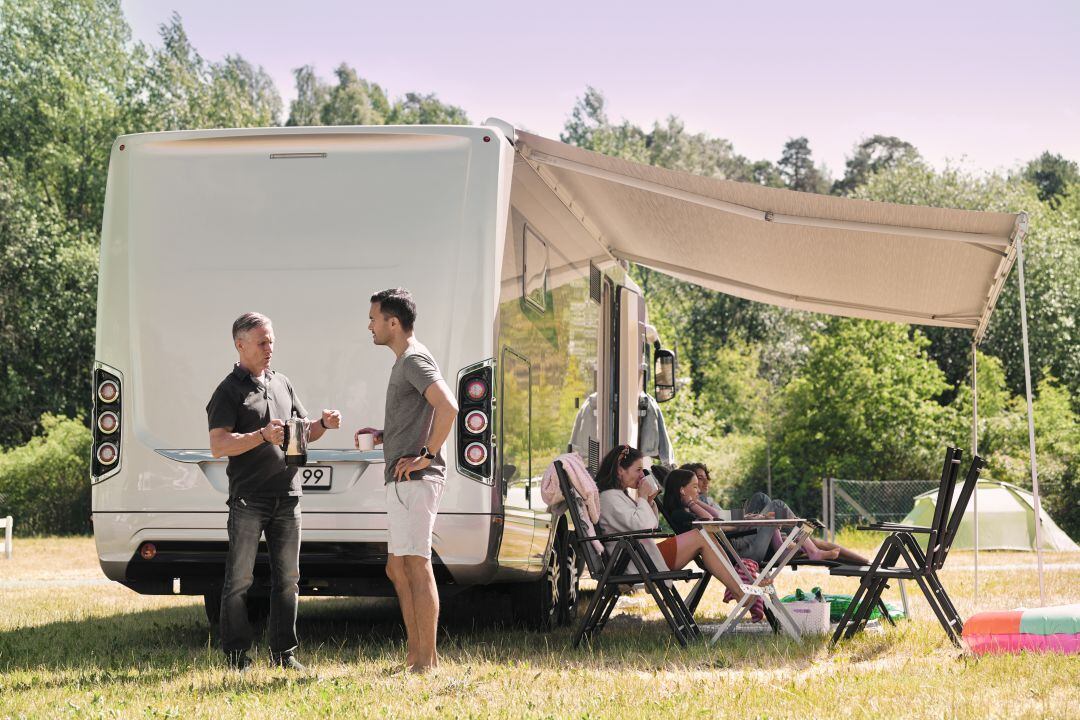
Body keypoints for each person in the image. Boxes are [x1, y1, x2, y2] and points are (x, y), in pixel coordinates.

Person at [207, 312, 342, 672]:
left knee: (289, 580)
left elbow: (303, 431)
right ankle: (237, 657)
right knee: (239, 582)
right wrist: (260, 436)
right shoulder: (228, 390)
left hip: (288, 496)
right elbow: (219, 445)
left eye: (272, 341)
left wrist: (323, 425)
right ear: (240, 345)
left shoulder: (282, 382)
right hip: (249, 499)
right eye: (262, 342)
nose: (270, 348)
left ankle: (284, 655)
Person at [354, 288, 458, 673]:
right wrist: (385, 434)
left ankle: (426, 662)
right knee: (396, 567)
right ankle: (415, 655)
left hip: (417, 479)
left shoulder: (414, 359)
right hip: (401, 479)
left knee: (416, 564)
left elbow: (448, 406)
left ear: (392, 323)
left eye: (373, 318)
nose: (370, 325)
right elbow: (419, 413)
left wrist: (425, 456)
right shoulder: (404, 362)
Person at [596, 446, 766, 618]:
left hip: (640, 555)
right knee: (701, 536)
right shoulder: (610, 497)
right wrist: (641, 497)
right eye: (638, 470)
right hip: (635, 561)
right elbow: (643, 525)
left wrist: (648, 500)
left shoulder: (618, 495)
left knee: (703, 536)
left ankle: (739, 588)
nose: (642, 475)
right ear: (619, 470)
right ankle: (740, 590)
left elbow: (650, 524)